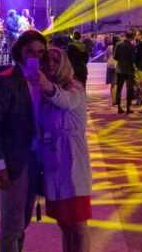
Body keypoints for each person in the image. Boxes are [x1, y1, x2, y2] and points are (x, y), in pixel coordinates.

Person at [0, 30, 47, 252]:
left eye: (41, 52)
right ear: (19, 52)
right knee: (12, 224)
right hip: (13, 161)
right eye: (30, 51)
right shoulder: (5, 81)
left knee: (24, 220)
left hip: (37, 160)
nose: (35, 57)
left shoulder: (44, 81)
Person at [33, 48, 92, 252]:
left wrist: (45, 85)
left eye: (56, 60)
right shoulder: (41, 92)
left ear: (65, 63)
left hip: (72, 159)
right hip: (52, 161)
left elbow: (65, 101)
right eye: (46, 60)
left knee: (78, 225)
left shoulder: (75, 88)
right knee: (64, 224)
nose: (50, 64)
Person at [113, 33, 137, 114]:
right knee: (129, 89)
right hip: (129, 70)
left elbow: (115, 57)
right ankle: (128, 108)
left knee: (119, 89)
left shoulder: (118, 44)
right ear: (132, 37)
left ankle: (119, 107)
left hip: (120, 69)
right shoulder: (132, 46)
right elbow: (134, 59)